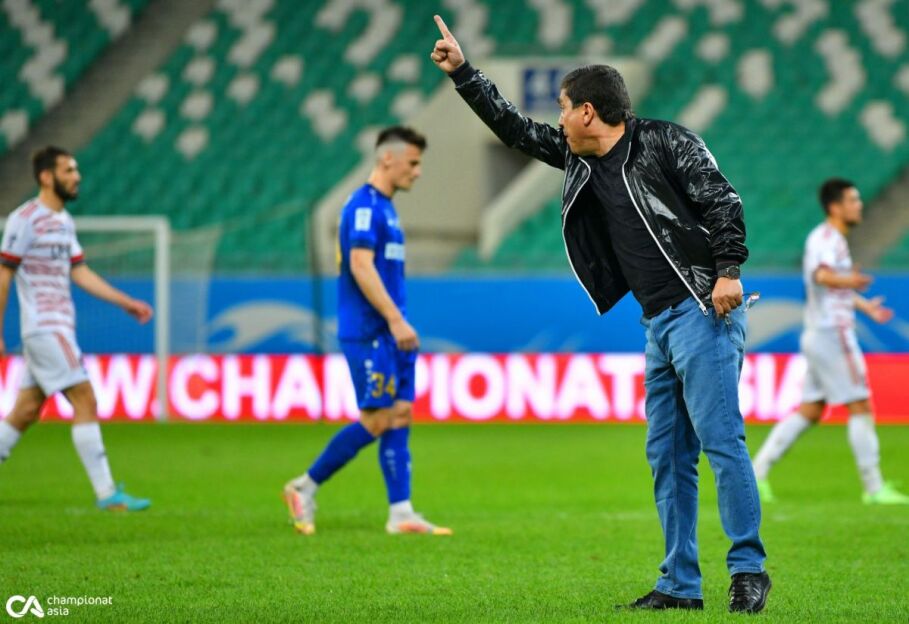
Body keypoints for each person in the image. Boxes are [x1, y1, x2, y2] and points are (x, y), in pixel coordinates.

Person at [430, 15, 768, 612]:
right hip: (658, 325)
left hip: (701, 311)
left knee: (721, 443)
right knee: (668, 458)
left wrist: (728, 271)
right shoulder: (578, 158)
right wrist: (464, 74)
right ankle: (680, 584)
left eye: (564, 108)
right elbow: (515, 130)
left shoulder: (667, 141)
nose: (558, 120)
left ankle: (748, 570)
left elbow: (723, 200)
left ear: (588, 111)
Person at [283, 126, 451, 536]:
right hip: (371, 330)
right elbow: (360, 265)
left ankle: (401, 513)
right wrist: (394, 319)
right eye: (413, 163)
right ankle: (304, 487)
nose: (418, 171)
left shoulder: (386, 208)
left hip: (392, 332)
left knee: (400, 414)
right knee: (376, 419)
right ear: (387, 158)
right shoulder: (363, 207)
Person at [0, 146, 153, 511]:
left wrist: (125, 302)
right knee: (85, 398)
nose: (77, 176)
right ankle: (107, 494)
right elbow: (4, 274)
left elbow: (79, 271)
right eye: (68, 170)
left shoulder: (64, 222)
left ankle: (107, 494)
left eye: (76, 170)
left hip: (57, 328)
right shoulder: (24, 219)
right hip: (45, 328)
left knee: (25, 412)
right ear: (46, 177)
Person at [752, 179, 909, 505]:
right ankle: (874, 487)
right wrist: (848, 279)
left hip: (820, 334)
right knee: (861, 405)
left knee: (810, 410)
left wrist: (864, 305)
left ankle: (757, 472)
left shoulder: (831, 239)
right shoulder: (826, 239)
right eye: (853, 200)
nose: (859, 205)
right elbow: (821, 276)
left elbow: (833, 286)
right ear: (835, 207)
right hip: (832, 334)